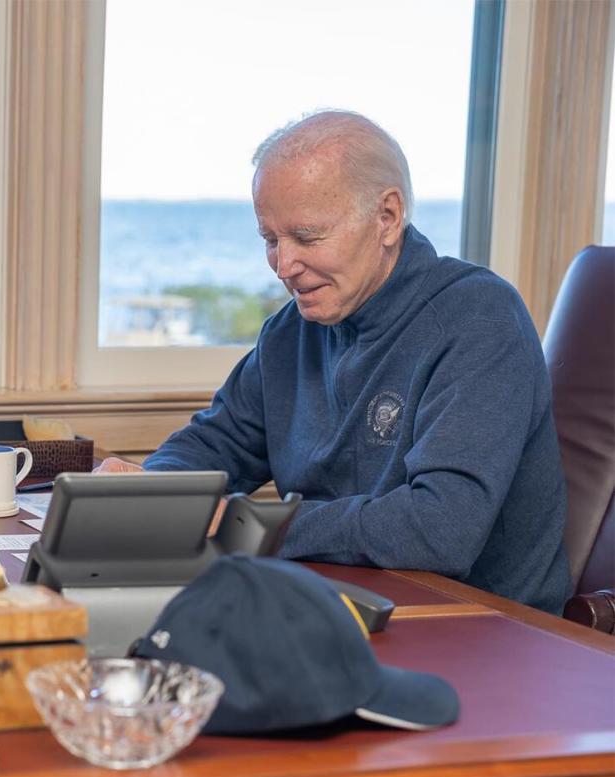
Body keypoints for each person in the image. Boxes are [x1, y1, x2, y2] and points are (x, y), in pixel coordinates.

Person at [99, 111, 570, 614]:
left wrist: (242, 524)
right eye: (270, 240)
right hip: (335, 602)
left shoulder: (479, 317)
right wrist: (148, 495)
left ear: (387, 217)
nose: (284, 266)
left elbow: (440, 530)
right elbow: (216, 442)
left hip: (478, 624)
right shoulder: (289, 329)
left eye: (306, 236)